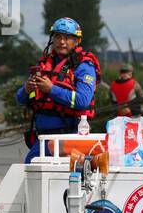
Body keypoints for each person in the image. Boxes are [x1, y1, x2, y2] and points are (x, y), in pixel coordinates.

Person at [17, 18, 101, 163]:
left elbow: (82, 101)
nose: (62, 41)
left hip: (69, 138)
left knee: (38, 169)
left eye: (67, 38)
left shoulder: (84, 66)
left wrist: (51, 89)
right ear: (52, 39)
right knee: (30, 169)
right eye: (58, 36)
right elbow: (19, 100)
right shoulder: (44, 65)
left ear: (77, 41)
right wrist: (27, 89)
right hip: (43, 139)